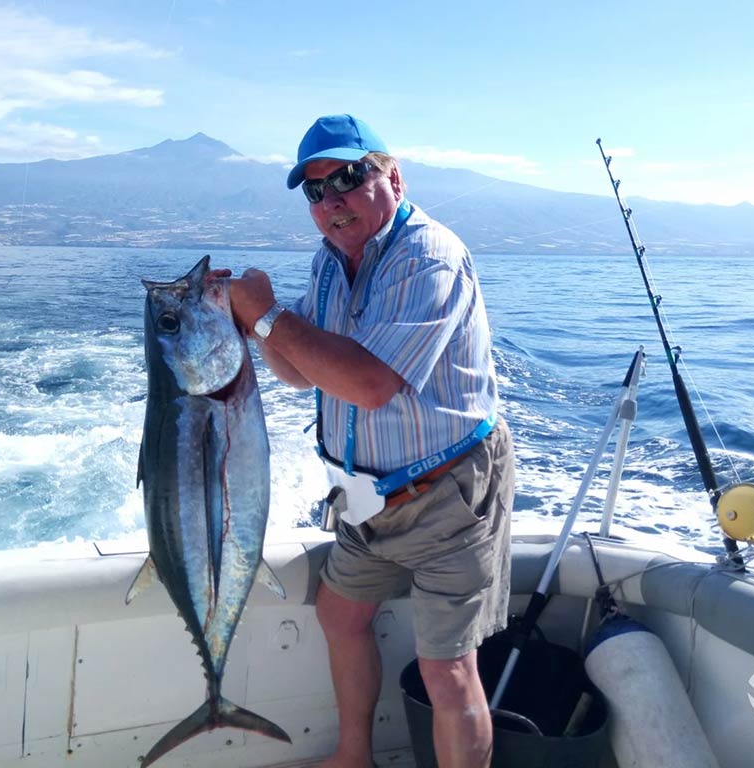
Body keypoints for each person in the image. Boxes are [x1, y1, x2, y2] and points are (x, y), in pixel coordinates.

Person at [224, 114, 514, 768]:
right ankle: (354, 757)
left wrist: (267, 315)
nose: (332, 202)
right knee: (340, 617)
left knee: (448, 671)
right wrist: (257, 330)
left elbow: (370, 383)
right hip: (364, 499)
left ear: (392, 176)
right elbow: (304, 373)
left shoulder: (429, 255)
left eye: (349, 179)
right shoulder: (328, 266)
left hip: (449, 494)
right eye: (316, 191)